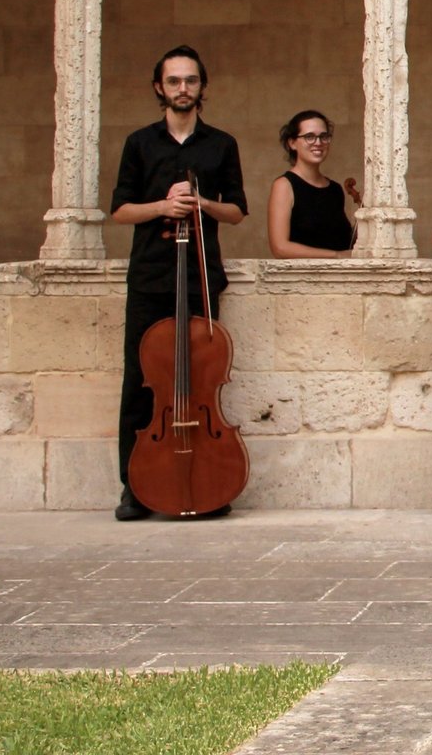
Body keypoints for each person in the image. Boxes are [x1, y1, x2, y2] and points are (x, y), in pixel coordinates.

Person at [107, 45, 247, 521]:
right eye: (174, 81)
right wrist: (163, 208)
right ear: (159, 88)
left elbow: (237, 211)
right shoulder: (139, 143)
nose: (182, 88)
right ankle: (136, 488)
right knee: (142, 385)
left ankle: (205, 480)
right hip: (151, 276)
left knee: (201, 382)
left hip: (201, 276)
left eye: (190, 80)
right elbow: (121, 210)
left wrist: (203, 204)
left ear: (202, 87)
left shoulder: (221, 144)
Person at [266, 110, 355, 257]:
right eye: (309, 137)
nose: (318, 143)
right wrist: (336, 255)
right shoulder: (284, 185)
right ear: (292, 143)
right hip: (302, 278)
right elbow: (280, 247)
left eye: (324, 136)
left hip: (338, 277)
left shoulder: (335, 189)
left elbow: (340, 240)